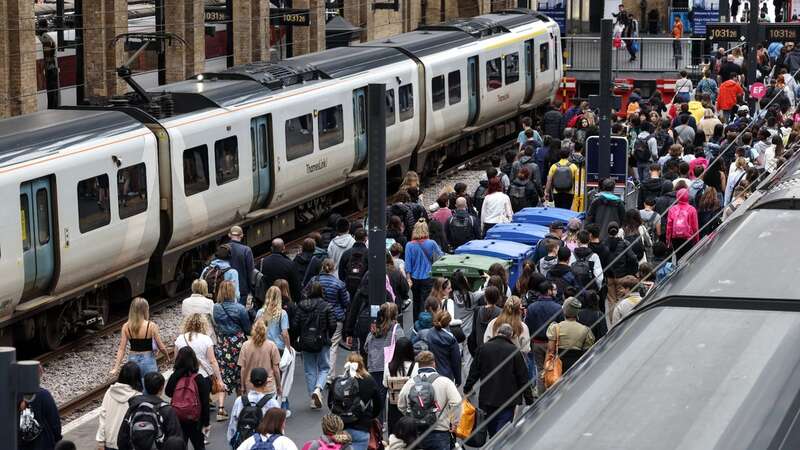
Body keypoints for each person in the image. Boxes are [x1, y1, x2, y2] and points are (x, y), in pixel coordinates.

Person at [464, 323, 533, 438]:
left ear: (497, 333)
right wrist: (529, 399)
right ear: (510, 335)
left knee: (491, 430)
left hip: (487, 398)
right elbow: (522, 377)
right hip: (508, 399)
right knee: (503, 432)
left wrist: (467, 388)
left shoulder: (483, 349)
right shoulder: (514, 351)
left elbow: (474, 371)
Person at [397, 351, 462, 450]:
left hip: (417, 433)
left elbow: (401, 404)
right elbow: (457, 402)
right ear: (434, 363)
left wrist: (412, 415)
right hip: (440, 431)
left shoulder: (411, 383)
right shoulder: (445, 381)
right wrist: (454, 423)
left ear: (418, 365)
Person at [294, 281, 338, 409]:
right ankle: (318, 389)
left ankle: (312, 398)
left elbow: (295, 324)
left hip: (306, 340)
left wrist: (299, 336)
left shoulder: (301, 305)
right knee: (324, 367)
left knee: (309, 370)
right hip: (322, 340)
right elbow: (333, 324)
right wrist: (328, 334)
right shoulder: (326, 306)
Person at [304, 259, 349, 384]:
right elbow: (345, 302)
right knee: (332, 345)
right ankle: (329, 375)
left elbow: (304, 294)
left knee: (317, 341)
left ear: (322, 267)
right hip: (335, 316)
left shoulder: (314, 280)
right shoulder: (339, 283)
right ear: (334, 269)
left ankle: (320, 373)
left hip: (314, 316)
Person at [109, 298, 170, 389]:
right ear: (145, 310)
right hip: (148, 360)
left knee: (134, 387)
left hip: (132, 360)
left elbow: (122, 349)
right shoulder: (151, 326)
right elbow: (161, 346)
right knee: (150, 386)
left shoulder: (126, 326)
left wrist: (116, 367)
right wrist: (167, 356)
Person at [175, 313, 224, 424]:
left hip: (185, 376)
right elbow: (212, 361)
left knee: (189, 400)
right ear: (203, 324)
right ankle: (204, 429)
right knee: (203, 403)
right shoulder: (206, 339)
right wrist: (219, 379)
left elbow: (176, 360)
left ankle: (190, 421)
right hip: (203, 377)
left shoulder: (180, 339)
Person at [328, 354, 382, 450]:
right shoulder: (369, 381)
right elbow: (379, 405)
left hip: (340, 429)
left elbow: (330, 403)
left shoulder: (338, 381)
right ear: (362, 365)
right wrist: (370, 416)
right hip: (362, 427)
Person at [117, 372, 183, 450]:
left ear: (144, 386)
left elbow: (122, 440)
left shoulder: (135, 406)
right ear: (162, 387)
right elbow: (176, 440)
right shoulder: (167, 410)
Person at [214, 280, 252, 411]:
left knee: (223, 375)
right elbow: (247, 329)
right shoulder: (240, 308)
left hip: (223, 344)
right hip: (238, 344)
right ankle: (240, 406)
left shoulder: (216, 308)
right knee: (240, 374)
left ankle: (221, 408)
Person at [165, 347, 211, 450]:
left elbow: (168, 392)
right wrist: (206, 422)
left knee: (180, 445)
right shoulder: (199, 378)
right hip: (195, 420)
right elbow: (205, 402)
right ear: (194, 360)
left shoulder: (174, 377)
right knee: (199, 446)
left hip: (178, 418)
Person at [227, 368, 282, 449]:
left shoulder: (240, 401)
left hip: (243, 441)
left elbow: (233, 425)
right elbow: (278, 427)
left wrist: (233, 442)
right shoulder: (272, 402)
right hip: (264, 445)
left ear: (250, 381)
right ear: (266, 382)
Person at [365, 302, 403, 412]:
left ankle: (378, 423)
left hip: (374, 366)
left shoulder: (374, 330)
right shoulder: (396, 329)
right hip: (391, 367)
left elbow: (366, 347)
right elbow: (402, 346)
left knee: (378, 398)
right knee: (395, 397)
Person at [97, 362, 142, 450]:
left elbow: (103, 417)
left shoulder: (109, 392)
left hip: (109, 442)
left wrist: (100, 441)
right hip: (127, 444)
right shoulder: (138, 397)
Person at [405, 220, 443, 322]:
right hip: (428, 277)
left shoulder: (409, 245)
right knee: (427, 302)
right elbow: (440, 257)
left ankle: (417, 323)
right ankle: (427, 322)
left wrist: (408, 278)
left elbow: (408, 265)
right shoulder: (432, 243)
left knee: (416, 302)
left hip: (414, 278)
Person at [237, 319, 282, 406]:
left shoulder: (245, 345)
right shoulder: (272, 345)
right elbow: (276, 369)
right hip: (268, 384)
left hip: (251, 384)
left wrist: (242, 386)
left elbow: (243, 369)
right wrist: (279, 385)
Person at [546, 297, 595, 373]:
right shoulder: (586, 330)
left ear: (564, 311)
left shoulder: (555, 327)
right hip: (577, 366)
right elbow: (587, 352)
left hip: (558, 367)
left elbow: (550, 350)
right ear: (577, 312)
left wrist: (546, 369)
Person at [416, 310, 462, 385]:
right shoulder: (451, 338)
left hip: (429, 375)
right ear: (448, 323)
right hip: (446, 376)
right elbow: (456, 361)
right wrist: (458, 379)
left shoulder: (427, 334)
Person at [384, 338, 418, 435]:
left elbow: (385, 384)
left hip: (393, 403)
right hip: (409, 403)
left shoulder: (388, 366)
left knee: (394, 432)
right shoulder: (415, 366)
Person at [258, 239, 302, 309]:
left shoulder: (262, 263)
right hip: (284, 303)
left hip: (266, 301)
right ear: (283, 248)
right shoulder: (290, 264)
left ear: (271, 248)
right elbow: (295, 285)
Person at [18, 380, 61, 450]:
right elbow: (54, 422)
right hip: (43, 444)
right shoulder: (43, 394)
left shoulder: (7, 398)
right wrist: (58, 439)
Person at [256, 286, 293, 356]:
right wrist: (288, 349)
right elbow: (285, 334)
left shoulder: (260, 312)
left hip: (263, 346)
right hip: (278, 346)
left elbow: (256, 330)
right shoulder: (282, 313)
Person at [666, 188, 699, 259]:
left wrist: (668, 239)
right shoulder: (692, 209)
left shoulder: (672, 209)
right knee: (688, 257)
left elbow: (669, 226)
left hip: (675, 238)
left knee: (678, 257)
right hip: (688, 238)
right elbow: (695, 227)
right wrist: (696, 239)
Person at [337, 228, 369, 299]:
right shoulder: (369, 254)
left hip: (349, 287)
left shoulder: (346, 253)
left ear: (354, 237)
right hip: (364, 289)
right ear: (366, 238)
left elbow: (340, 273)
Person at [227, 226, 255, 303]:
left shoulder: (223, 249)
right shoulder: (246, 250)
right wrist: (251, 289)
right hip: (241, 289)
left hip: (225, 289)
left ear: (229, 235)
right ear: (241, 235)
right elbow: (250, 271)